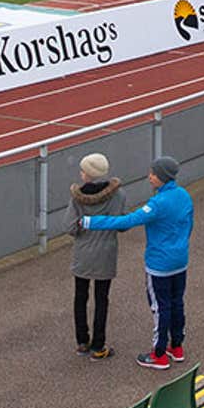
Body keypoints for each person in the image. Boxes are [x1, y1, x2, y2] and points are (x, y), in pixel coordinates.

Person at [80, 154, 195, 371]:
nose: (149, 177)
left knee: (160, 307)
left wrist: (90, 221)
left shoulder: (157, 203)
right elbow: (189, 225)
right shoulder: (184, 196)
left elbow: (128, 221)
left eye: (153, 174)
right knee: (177, 302)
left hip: (160, 265)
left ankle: (159, 354)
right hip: (181, 260)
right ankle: (176, 346)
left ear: (162, 177)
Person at [69, 152, 128, 360]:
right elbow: (122, 225)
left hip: (82, 254)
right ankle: (98, 345)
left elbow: (70, 227)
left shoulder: (77, 198)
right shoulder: (118, 195)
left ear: (88, 174)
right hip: (105, 252)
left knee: (80, 297)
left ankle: (82, 342)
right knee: (101, 299)